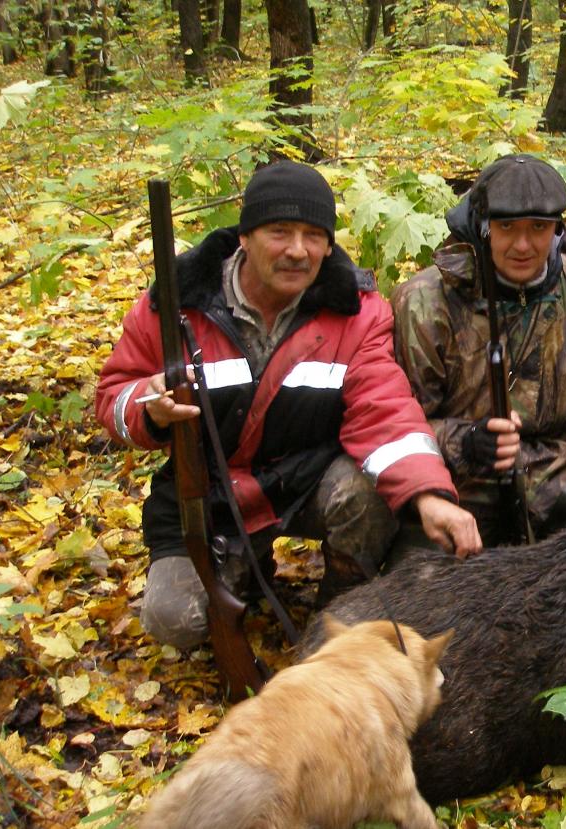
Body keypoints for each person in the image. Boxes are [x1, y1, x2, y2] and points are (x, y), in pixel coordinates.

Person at [96, 161, 481, 648]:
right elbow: (113, 396)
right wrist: (148, 407)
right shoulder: (174, 305)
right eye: (279, 232)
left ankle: (339, 614)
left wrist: (429, 494)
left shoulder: (357, 312)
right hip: (209, 496)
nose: (298, 250)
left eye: (313, 235)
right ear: (245, 237)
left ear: (328, 245)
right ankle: (246, 567)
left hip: (304, 482)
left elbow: (384, 408)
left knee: (366, 494)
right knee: (176, 621)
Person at [391, 154, 566, 548]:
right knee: (422, 579)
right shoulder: (424, 302)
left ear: (557, 230)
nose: (523, 245)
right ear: (482, 227)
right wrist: (464, 441)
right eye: (506, 227)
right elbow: (398, 423)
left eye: (538, 228)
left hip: (563, 462)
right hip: (458, 472)